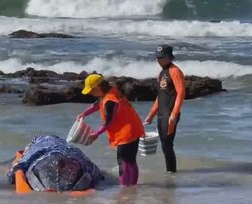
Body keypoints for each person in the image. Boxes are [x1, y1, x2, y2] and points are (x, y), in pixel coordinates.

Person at [77, 74, 144, 186]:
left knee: (123, 161)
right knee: (130, 160)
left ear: (98, 88)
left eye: (91, 91)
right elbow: (97, 105)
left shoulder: (110, 100)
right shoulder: (109, 92)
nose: (90, 93)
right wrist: (84, 114)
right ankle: (133, 187)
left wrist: (96, 134)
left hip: (127, 132)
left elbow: (109, 121)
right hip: (134, 128)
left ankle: (125, 188)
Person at [144, 45, 186, 173]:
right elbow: (160, 96)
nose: (158, 60)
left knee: (167, 145)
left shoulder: (175, 71)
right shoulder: (161, 74)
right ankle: (170, 172)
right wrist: (151, 114)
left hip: (170, 113)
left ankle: (171, 172)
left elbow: (181, 92)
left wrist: (174, 113)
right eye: (157, 57)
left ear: (168, 57)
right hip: (162, 113)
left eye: (161, 57)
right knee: (164, 144)